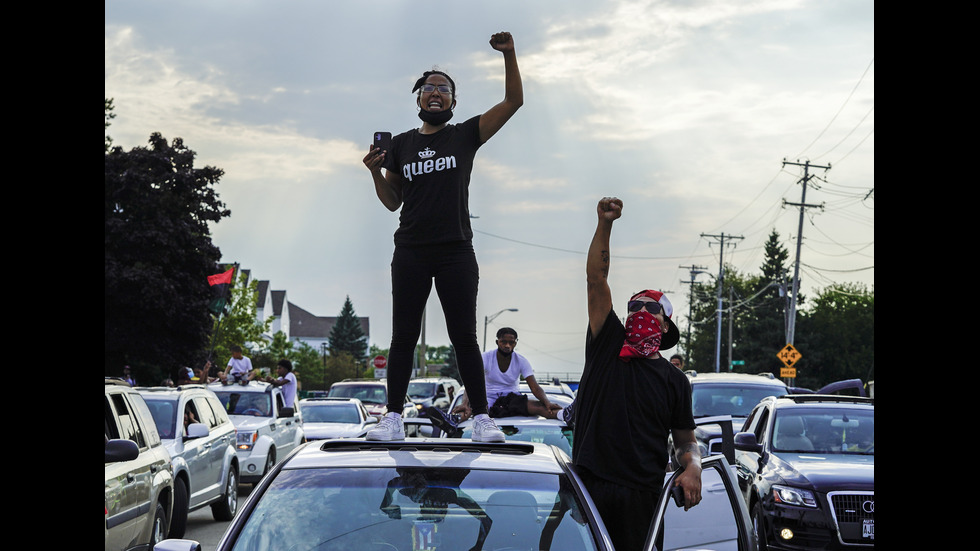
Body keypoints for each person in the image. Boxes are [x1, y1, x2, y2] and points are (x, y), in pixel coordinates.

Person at [361, 32, 523, 442]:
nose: (436, 93)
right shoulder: (401, 145)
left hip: (455, 251)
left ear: (453, 101)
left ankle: (482, 419)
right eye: (429, 88)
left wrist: (509, 54)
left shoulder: (465, 135)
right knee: (403, 337)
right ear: (418, 99)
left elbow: (512, 103)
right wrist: (375, 173)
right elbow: (391, 202)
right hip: (411, 250)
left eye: (444, 89)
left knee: (463, 337)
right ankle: (393, 417)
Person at [573, 197, 702, 551]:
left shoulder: (675, 381)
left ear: (665, 324)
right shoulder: (607, 344)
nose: (640, 311)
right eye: (634, 306)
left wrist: (693, 466)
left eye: (650, 307)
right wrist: (605, 223)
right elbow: (595, 279)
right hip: (588, 489)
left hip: (643, 498)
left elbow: (685, 440)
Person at [453, 327, 561, 420]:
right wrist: (464, 403)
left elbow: (535, 388)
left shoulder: (521, 360)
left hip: (511, 400)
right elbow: (472, 383)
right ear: (497, 342)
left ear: (515, 343)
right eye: (503, 342)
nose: (507, 345)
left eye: (511, 342)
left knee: (541, 407)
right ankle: (453, 420)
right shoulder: (485, 357)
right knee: (470, 410)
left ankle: (564, 415)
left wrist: (547, 402)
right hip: (488, 399)